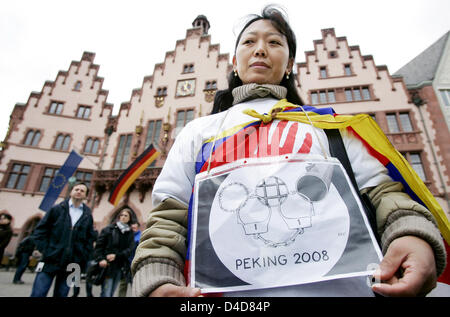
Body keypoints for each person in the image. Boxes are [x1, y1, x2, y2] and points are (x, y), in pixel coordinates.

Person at [131, 5, 447, 297]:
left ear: (290, 64)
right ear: (235, 62)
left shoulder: (328, 126)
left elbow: (383, 193)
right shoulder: (199, 132)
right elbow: (169, 216)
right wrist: (157, 277)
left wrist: (411, 234)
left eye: (274, 42)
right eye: (249, 42)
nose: (260, 49)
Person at [30, 182, 96, 297]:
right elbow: (40, 231)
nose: (79, 192)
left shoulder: (87, 215)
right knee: (38, 293)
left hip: (72, 263)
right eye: (77, 189)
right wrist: (46, 250)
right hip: (50, 259)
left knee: (62, 294)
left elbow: (89, 238)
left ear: (86, 196)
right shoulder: (57, 209)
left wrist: (82, 256)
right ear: (71, 192)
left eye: (82, 191)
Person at [94, 208, 135, 297]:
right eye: (121, 215)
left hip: (120, 266)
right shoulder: (109, 229)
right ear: (118, 217)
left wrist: (117, 256)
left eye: (126, 216)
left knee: (111, 292)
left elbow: (130, 249)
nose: (123, 217)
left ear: (129, 219)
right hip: (108, 266)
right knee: (106, 293)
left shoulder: (130, 232)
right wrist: (101, 259)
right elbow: (99, 245)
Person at [118, 222, 141, 297]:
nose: (133, 228)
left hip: (135, 264)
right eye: (132, 227)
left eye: (135, 226)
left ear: (138, 227)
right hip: (126, 264)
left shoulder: (140, 236)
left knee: (135, 285)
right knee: (123, 284)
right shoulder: (127, 236)